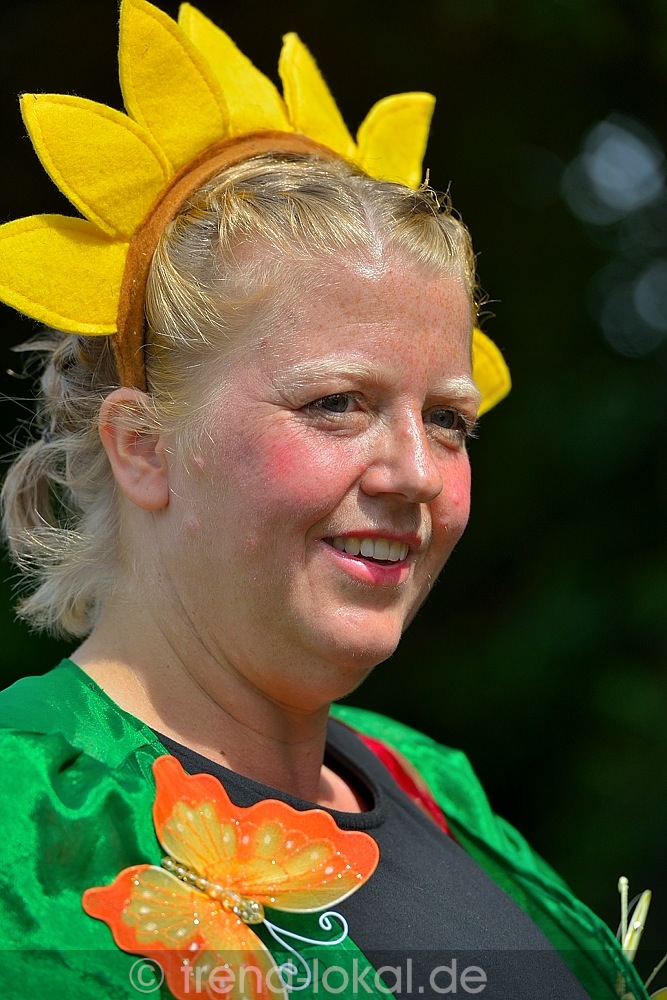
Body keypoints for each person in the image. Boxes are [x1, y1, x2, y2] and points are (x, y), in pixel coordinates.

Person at [0, 2, 650, 998]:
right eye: (336, 403)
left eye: (448, 420)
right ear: (144, 447)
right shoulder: (23, 820)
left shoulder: (431, 784)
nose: (415, 473)